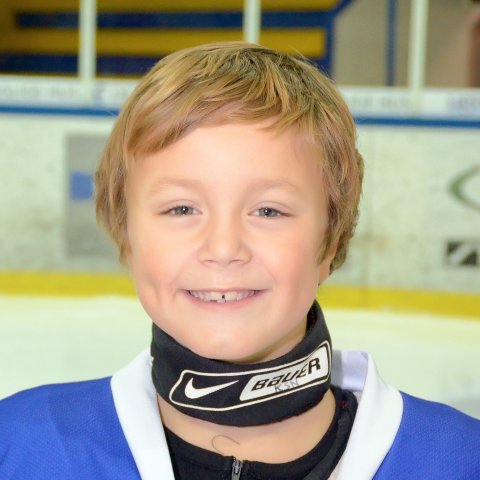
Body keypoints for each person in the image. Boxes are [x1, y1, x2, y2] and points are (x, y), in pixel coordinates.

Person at [1, 42, 479, 480]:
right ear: (127, 239)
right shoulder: (20, 445)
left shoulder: (458, 459)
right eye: (181, 209)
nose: (223, 248)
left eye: (268, 211)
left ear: (329, 242)